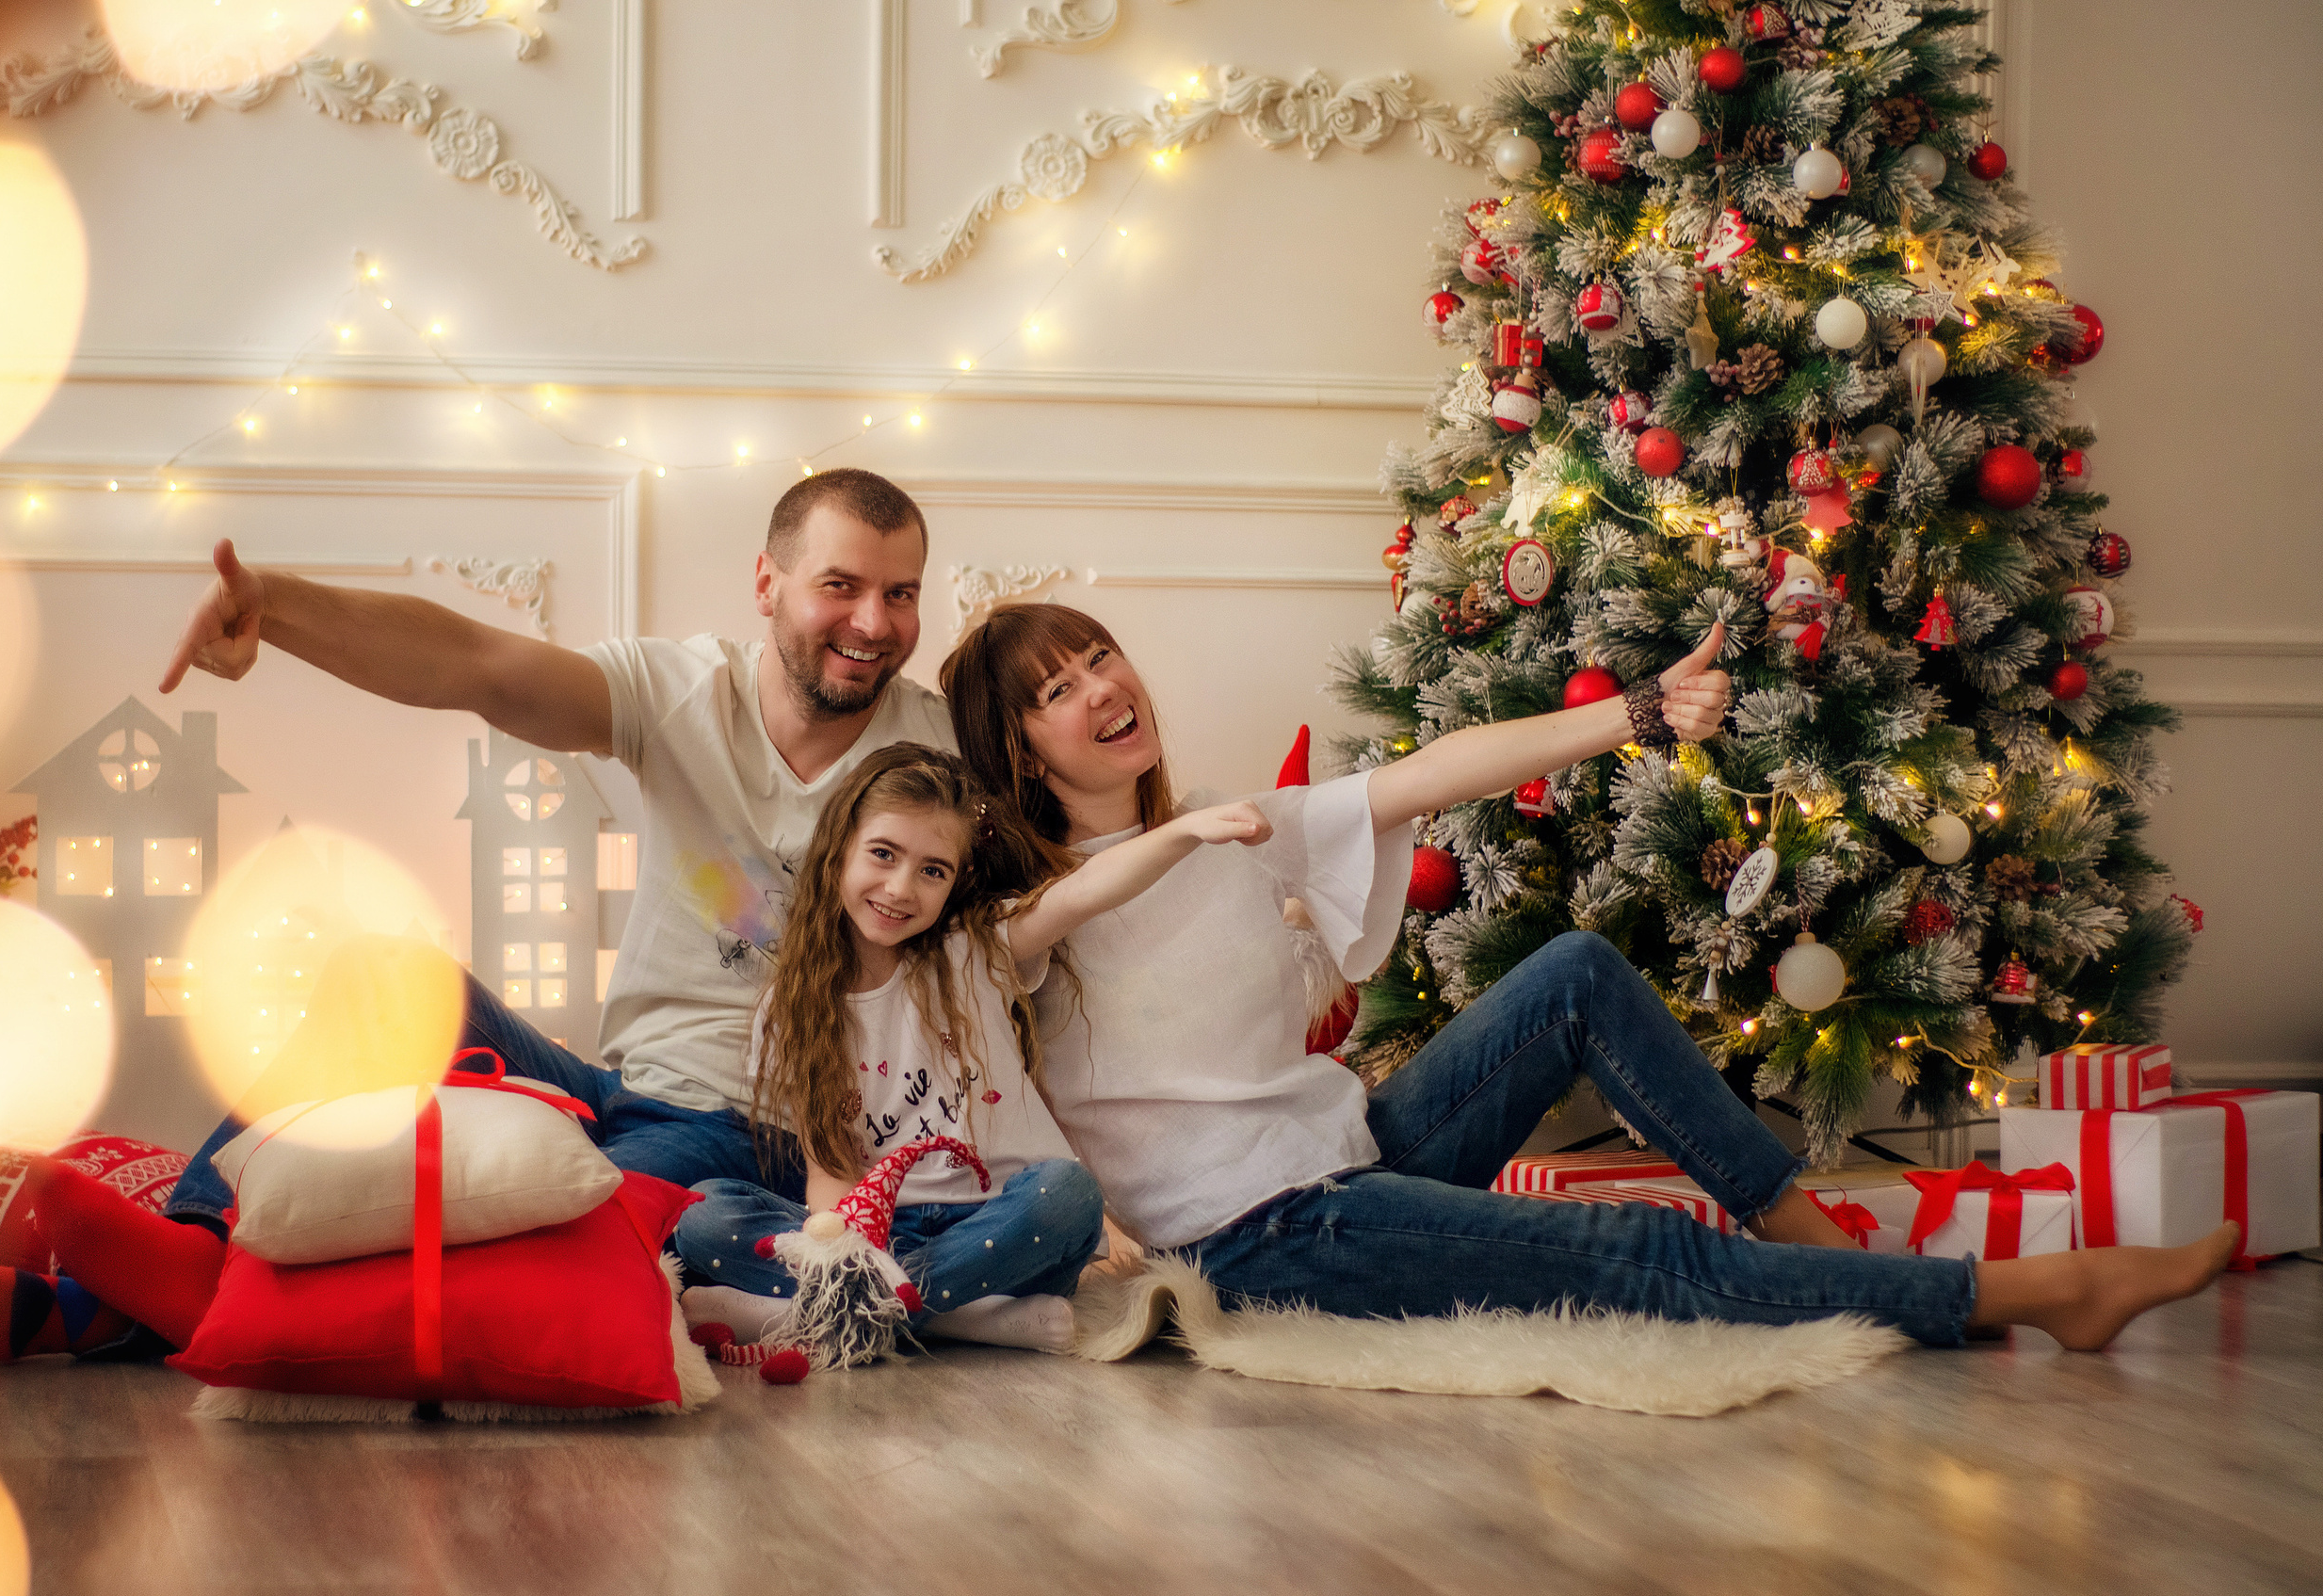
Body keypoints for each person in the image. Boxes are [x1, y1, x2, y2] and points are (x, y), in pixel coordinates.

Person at [938, 605, 2241, 1351]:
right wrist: (1162, 838)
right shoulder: (1016, 912)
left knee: (1571, 970)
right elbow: (1038, 928)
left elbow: (1441, 766)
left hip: (1353, 1154)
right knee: (1629, 1248)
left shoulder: (1236, 826)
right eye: (1059, 686)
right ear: (1019, 744)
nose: (1104, 684)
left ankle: (1801, 1227)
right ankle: (2033, 1292)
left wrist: (1638, 709)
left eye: (1098, 654)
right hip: (1262, 1235)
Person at [153, 469, 959, 1228]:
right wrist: (277, 605)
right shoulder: (682, 692)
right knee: (385, 977)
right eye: (840, 586)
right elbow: (481, 666)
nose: (874, 623)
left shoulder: (944, 753)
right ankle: (191, 1235)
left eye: (901, 594)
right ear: (766, 584)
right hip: (619, 1084)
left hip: (759, 1131)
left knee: (566, 1224)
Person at [675, 742, 1272, 1358]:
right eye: (883, 854)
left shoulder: (973, 951)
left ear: (955, 881)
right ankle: (959, 1318)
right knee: (703, 1213)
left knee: (1068, 1197)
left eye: (932, 870)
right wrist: (840, 1245)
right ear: (838, 851)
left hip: (1006, 1228)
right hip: (885, 1233)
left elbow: (1081, 892)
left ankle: (819, 1310)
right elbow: (831, 1169)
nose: (901, 887)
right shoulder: (789, 1010)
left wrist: (1187, 832)